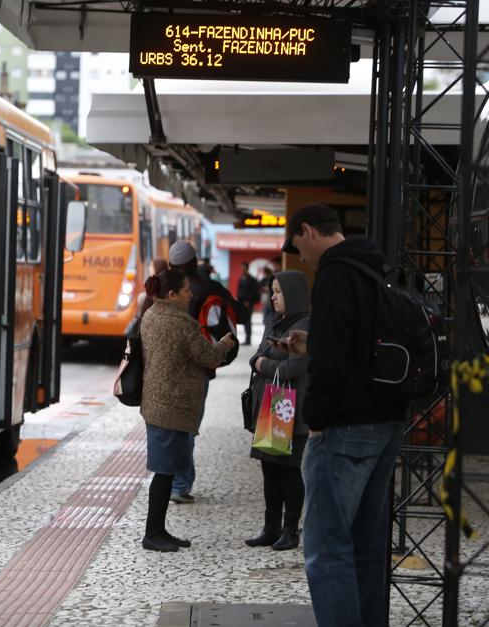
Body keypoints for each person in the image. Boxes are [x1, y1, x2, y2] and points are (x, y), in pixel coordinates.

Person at [282, 204, 405, 627]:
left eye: (298, 246)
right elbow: (359, 346)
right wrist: (313, 343)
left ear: (308, 231)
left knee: (327, 549)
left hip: (345, 429)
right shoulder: (378, 268)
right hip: (387, 420)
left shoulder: (334, 274)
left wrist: (315, 421)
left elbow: (333, 362)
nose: (302, 257)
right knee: (367, 549)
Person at [139, 268, 236, 552]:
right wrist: (225, 343)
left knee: (165, 470)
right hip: (173, 406)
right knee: (164, 472)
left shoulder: (150, 315)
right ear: (172, 294)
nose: (190, 295)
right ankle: (152, 533)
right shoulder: (181, 323)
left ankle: (158, 530)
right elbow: (208, 357)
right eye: (186, 291)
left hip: (156, 404)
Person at [167, 240, 242, 503]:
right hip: (200, 369)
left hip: (167, 369)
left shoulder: (163, 286)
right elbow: (238, 313)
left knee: (170, 425)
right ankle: (180, 483)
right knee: (188, 426)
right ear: (194, 261)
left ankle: (173, 480)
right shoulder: (210, 287)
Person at [245, 271, 309, 551]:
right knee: (269, 468)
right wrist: (264, 360)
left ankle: (290, 530)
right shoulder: (275, 322)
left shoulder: (306, 325)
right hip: (271, 406)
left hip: (291, 409)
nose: (273, 297)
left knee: (289, 470)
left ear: (293, 293)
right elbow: (256, 354)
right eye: (272, 291)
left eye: (279, 292)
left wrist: (262, 365)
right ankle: (270, 527)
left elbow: (291, 367)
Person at [236, 262, 261, 345]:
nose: (242, 270)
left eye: (243, 269)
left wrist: (249, 301)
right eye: (241, 269)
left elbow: (254, 292)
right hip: (241, 303)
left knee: (248, 321)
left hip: (248, 303)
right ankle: (246, 338)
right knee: (243, 320)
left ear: (247, 269)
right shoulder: (241, 279)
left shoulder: (252, 280)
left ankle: (248, 339)